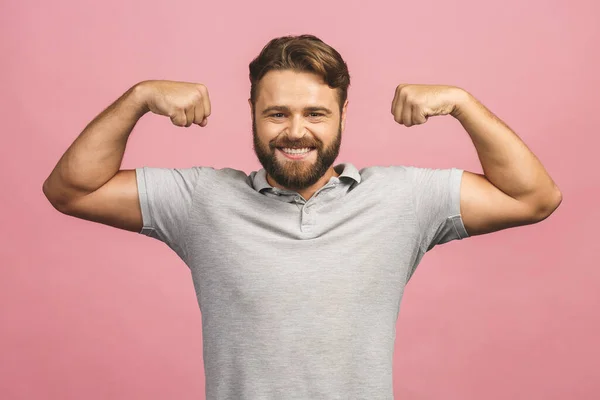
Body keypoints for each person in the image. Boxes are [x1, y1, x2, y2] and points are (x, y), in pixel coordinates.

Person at [42, 34, 562, 399]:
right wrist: (138, 98)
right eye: (276, 113)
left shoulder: (403, 196)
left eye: (315, 113)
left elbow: (533, 197)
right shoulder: (202, 199)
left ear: (342, 115)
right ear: (251, 113)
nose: (296, 131)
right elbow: (71, 189)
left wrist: (462, 103)